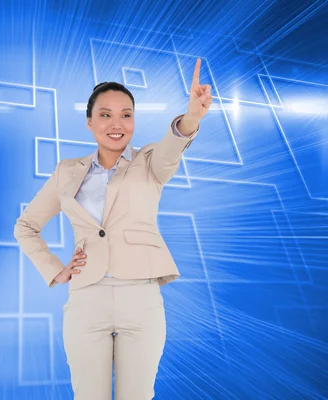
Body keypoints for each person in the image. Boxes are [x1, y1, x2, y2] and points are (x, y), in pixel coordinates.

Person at [14, 58, 212, 399]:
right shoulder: (67, 170)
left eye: (126, 114)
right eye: (105, 114)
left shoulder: (150, 161)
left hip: (141, 297)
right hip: (86, 297)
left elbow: (173, 146)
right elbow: (26, 226)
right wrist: (56, 271)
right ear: (90, 122)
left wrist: (191, 116)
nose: (116, 123)